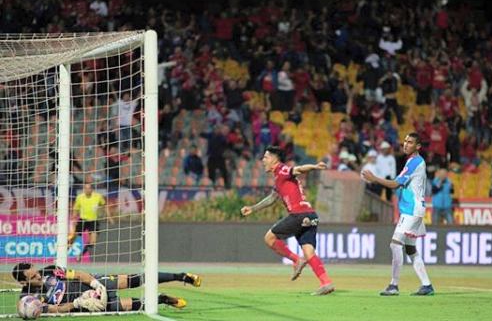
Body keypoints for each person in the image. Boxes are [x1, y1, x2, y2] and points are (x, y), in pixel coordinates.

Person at [240, 146, 334, 296]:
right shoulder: (278, 179)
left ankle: (296, 260)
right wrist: (253, 208)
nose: (263, 160)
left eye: (265, 157)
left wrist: (315, 167)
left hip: (298, 215)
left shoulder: (282, 170)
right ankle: (326, 283)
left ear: (274, 158)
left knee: (269, 238)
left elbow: (298, 169)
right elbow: (272, 198)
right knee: (309, 253)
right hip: (310, 215)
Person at [362, 132, 434, 296]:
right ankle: (427, 285)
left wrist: (375, 179)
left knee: (395, 244)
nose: (406, 144)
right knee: (410, 249)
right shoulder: (411, 161)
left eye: (410, 142)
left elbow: (395, 184)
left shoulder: (415, 162)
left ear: (418, 146)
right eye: (405, 141)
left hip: (411, 210)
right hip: (414, 209)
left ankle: (394, 285)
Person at [12, 262, 202, 313]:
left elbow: (78, 274)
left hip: (95, 284)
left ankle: (182, 276)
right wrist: (77, 303)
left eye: (36, 271)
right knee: (131, 306)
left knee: (135, 279)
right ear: (24, 282)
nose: (38, 275)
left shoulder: (51, 271)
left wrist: (95, 283)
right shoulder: (29, 299)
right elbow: (53, 310)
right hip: (88, 303)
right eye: (33, 276)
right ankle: (162, 299)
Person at [68, 183, 114, 262]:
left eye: (88, 188)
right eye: (85, 188)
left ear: (92, 189)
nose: (87, 190)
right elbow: (76, 209)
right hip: (83, 220)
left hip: (93, 221)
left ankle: (80, 255)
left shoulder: (98, 196)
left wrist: (109, 217)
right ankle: (63, 252)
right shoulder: (80, 197)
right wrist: (74, 219)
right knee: (73, 238)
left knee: (92, 242)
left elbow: (104, 206)